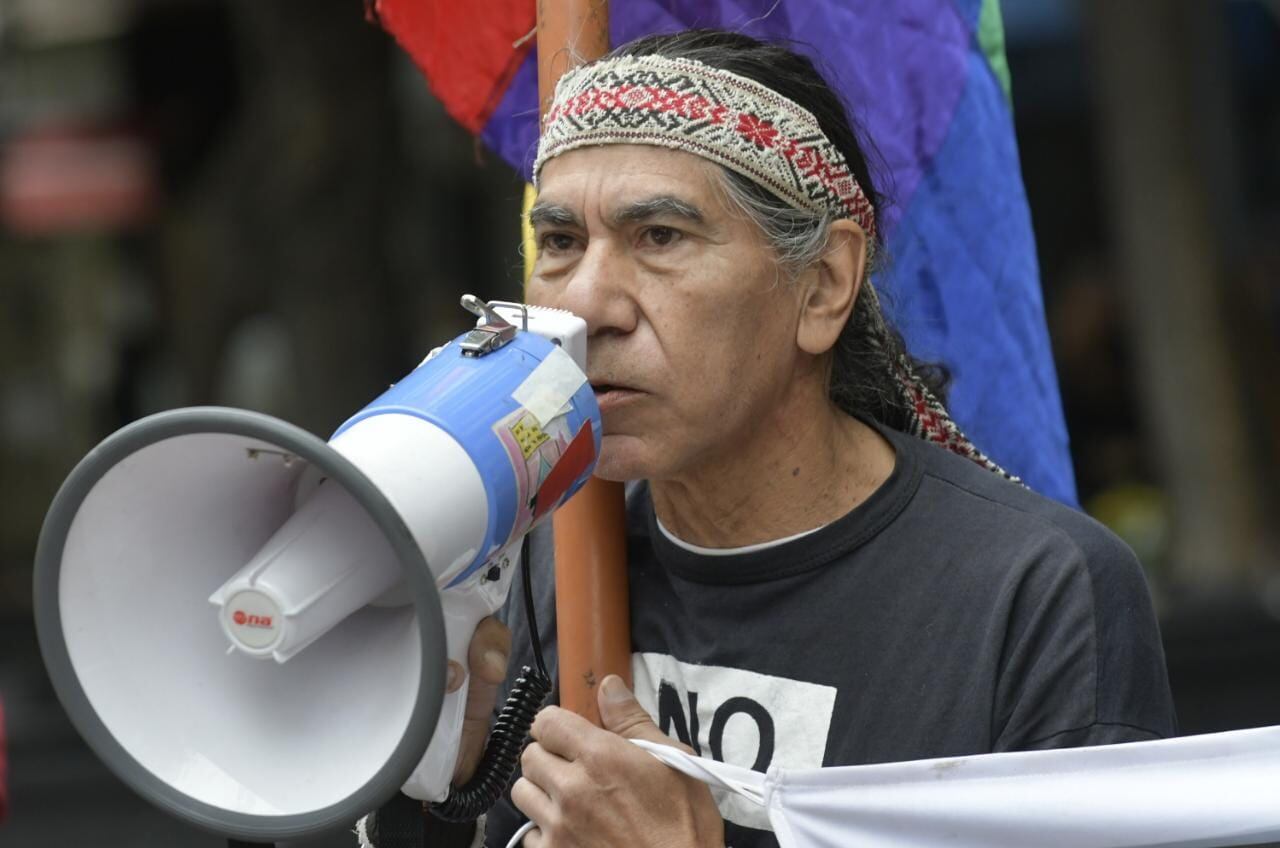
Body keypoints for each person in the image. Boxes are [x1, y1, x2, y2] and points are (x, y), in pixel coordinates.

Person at [378, 28, 1177, 848]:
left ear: (824, 286)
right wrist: (445, 781)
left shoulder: (1033, 594)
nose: (585, 306)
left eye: (660, 237)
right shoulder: (543, 550)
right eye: (560, 243)